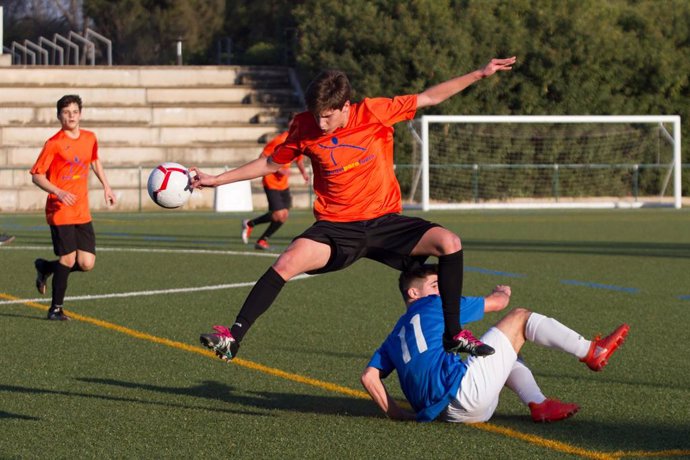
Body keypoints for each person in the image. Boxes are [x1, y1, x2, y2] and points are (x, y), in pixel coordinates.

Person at [193, 56, 517, 361]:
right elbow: (270, 162)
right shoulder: (303, 125)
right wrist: (217, 180)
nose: (320, 123)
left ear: (346, 106)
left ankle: (453, 333)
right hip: (337, 227)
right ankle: (233, 337)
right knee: (288, 260)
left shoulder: (375, 112)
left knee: (450, 243)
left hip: (384, 222)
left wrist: (479, 73)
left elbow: (429, 97)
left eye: (328, 115)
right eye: (316, 114)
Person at [360, 264, 629, 423]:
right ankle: (591, 351)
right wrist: (502, 292)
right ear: (413, 293)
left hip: (444, 414)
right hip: (467, 396)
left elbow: (370, 377)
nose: (441, 290)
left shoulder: (395, 333)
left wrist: (398, 415)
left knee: (499, 349)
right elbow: (499, 304)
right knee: (520, 318)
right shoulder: (435, 304)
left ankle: (539, 403)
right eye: (435, 285)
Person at [30, 94, 116, 321]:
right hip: (60, 209)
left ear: (80, 114)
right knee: (68, 259)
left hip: (82, 209)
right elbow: (36, 176)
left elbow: (95, 161)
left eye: (75, 111)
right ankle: (55, 309)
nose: (71, 116)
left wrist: (106, 186)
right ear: (59, 115)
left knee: (86, 263)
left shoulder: (90, 138)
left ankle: (46, 267)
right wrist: (57, 191)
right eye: (66, 112)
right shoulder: (54, 143)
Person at [241, 117, 309, 250]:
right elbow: (263, 156)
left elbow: (299, 159)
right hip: (271, 181)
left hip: (283, 184)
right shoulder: (279, 140)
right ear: (290, 124)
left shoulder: (297, 140)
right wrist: (277, 168)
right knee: (278, 214)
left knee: (283, 216)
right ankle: (251, 225)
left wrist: (304, 173)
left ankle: (259, 237)